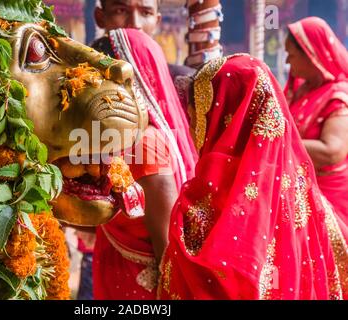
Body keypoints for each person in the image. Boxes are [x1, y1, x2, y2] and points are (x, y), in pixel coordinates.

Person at [158, 54, 348, 300]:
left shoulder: (207, 201)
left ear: (217, 120)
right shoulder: (308, 198)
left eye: (195, 118)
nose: (192, 128)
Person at [92, 29, 197, 300]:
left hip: (141, 287)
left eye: (100, 78)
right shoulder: (120, 137)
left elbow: (167, 247)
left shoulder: (145, 144)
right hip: (121, 274)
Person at [285, 17, 348, 223]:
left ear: (311, 55)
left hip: (330, 201)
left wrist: (280, 141)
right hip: (298, 192)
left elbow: (332, 151)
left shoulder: (338, 95)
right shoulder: (300, 90)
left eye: (291, 55)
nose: (287, 61)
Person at [93, 0, 196, 99]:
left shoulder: (184, 83)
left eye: (146, 13)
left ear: (157, 21)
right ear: (100, 17)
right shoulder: (83, 78)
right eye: (121, 11)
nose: (135, 24)